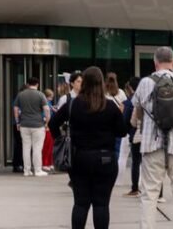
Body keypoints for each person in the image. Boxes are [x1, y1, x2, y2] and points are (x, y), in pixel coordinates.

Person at [49, 67, 128, 228]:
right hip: (105, 158)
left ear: (84, 82)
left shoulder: (73, 105)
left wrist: (61, 139)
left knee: (80, 203)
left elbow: (53, 124)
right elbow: (122, 132)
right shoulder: (111, 106)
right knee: (101, 204)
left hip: (79, 157)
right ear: (101, 83)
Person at [131, 47, 173, 229]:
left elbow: (135, 116)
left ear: (155, 62)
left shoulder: (145, 82)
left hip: (152, 146)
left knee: (149, 195)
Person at [14, 78, 51, 177]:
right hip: (38, 125)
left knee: (26, 147)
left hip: (24, 125)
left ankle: (27, 170)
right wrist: (47, 122)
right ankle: (37, 170)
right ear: (37, 84)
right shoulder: (40, 95)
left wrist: (18, 122)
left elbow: (16, 109)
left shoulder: (20, 95)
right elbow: (46, 109)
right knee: (37, 148)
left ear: (27, 84)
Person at [123, 77, 143, 197]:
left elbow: (129, 121)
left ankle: (135, 188)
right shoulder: (148, 97)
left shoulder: (132, 100)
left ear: (130, 87)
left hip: (135, 134)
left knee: (136, 162)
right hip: (150, 136)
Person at [43, 88, 56, 172]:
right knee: (47, 146)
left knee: (50, 145)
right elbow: (45, 115)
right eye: (50, 97)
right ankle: (45, 163)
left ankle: (49, 163)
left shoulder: (49, 103)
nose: (51, 99)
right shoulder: (45, 104)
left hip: (49, 126)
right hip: (47, 126)